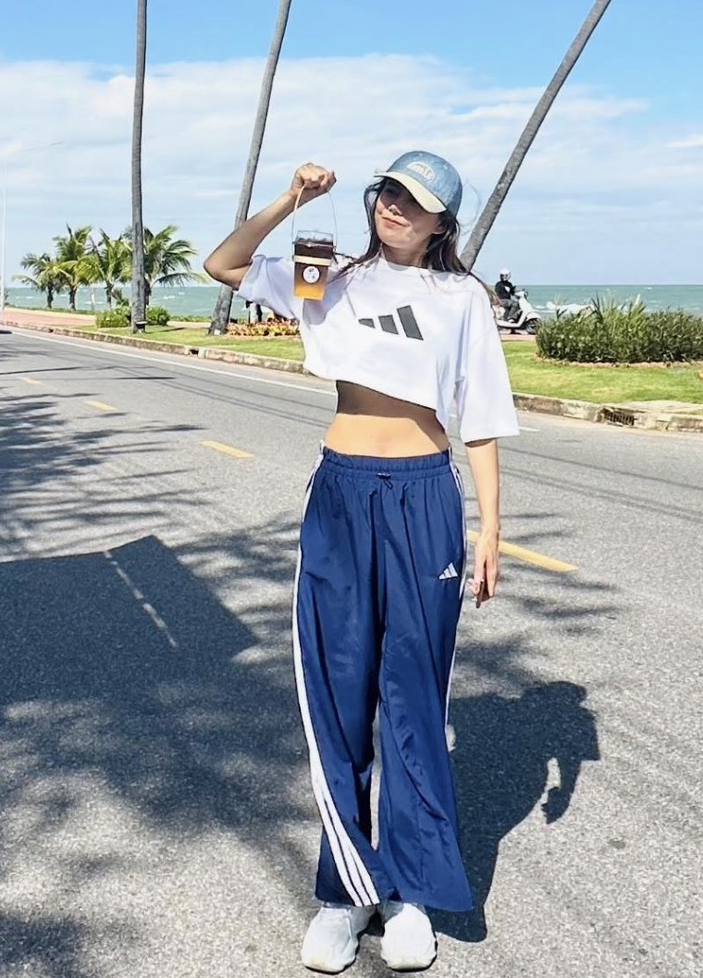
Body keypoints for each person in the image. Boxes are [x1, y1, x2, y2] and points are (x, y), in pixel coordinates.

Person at [204, 150, 518, 974]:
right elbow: (224, 265)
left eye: (415, 202)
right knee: (338, 692)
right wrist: (290, 198)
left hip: (424, 497)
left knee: (413, 696)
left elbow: (481, 416)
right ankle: (344, 893)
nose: (395, 208)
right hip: (342, 493)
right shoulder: (328, 275)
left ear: (442, 223)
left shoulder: (461, 298)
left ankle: (410, 893)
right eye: (389, 193)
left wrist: (489, 527)